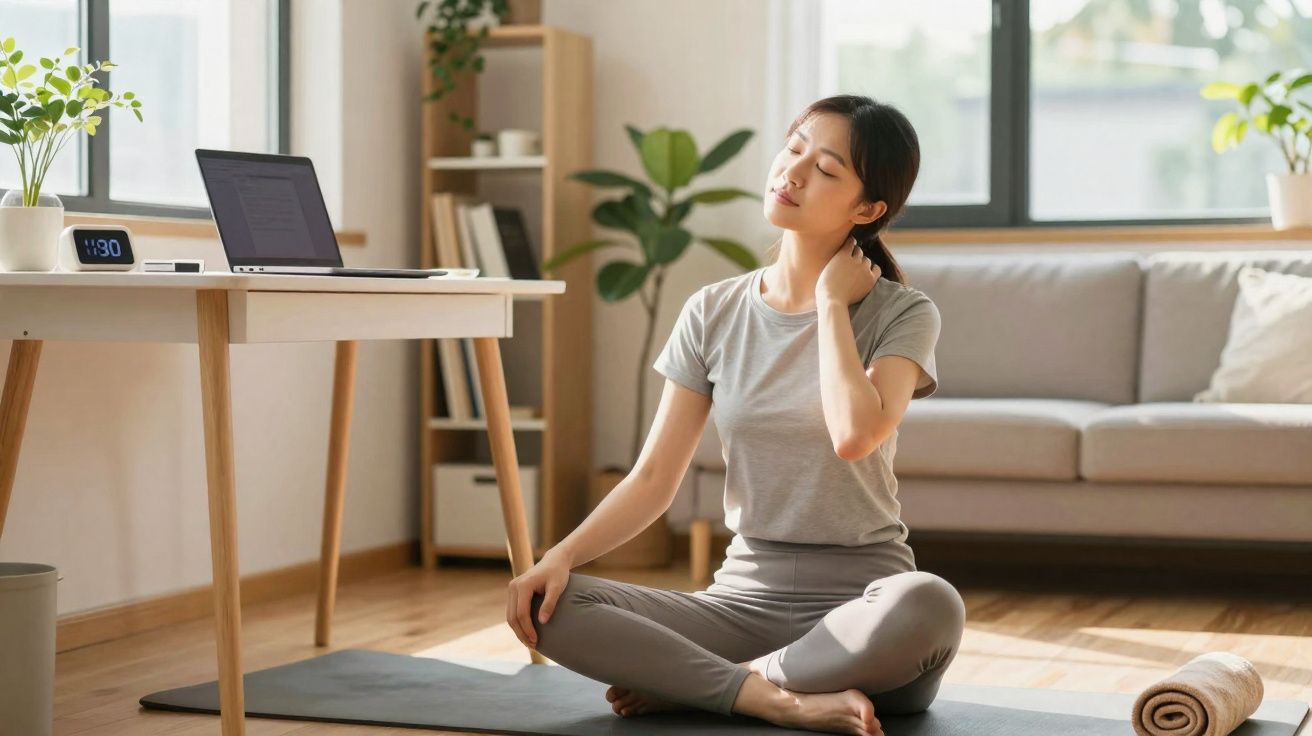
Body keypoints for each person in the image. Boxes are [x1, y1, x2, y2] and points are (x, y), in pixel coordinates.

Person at [504, 94, 965, 736]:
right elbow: (653, 479)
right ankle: (767, 695)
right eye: (795, 146)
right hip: (740, 602)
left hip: (866, 608)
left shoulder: (903, 314)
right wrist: (558, 556)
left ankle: (711, 683)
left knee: (930, 604)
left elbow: (856, 436)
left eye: (826, 169)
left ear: (868, 210)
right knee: (550, 604)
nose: (793, 172)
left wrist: (831, 306)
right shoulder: (712, 310)